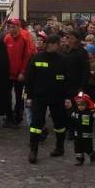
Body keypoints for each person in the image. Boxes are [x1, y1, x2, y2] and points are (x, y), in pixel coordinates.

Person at [24, 34, 71, 163]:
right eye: (58, 43)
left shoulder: (62, 59)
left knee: (59, 124)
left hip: (57, 97)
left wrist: (67, 97)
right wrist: (29, 96)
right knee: (36, 124)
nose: (60, 45)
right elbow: (29, 78)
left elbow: (67, 79)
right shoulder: (37, 57)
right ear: (50, 44)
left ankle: (59, 147)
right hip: (40, 97)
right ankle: (33, 150)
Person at [4, 18, 35, 129]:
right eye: (10, 27)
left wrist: (23, 72)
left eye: (13, 27)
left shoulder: (24, 39)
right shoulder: (7, 38)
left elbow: (27, 57)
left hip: (19, 74)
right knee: (7, 96)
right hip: (8, 73)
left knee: (19, 97)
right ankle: (8, 118)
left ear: (18, 27)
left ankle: (18, 118)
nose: (11, 29)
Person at [70, 92, 95, 165]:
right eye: (79, 105)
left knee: (87, 147)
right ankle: (80, 159)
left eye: (82, 105)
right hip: (77, 134)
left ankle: (92, 154)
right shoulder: (75, 113)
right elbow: (71, 121)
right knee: (78, 147)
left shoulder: (90, 113)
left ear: (87, 105)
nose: (80, 107)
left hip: (87, 135)